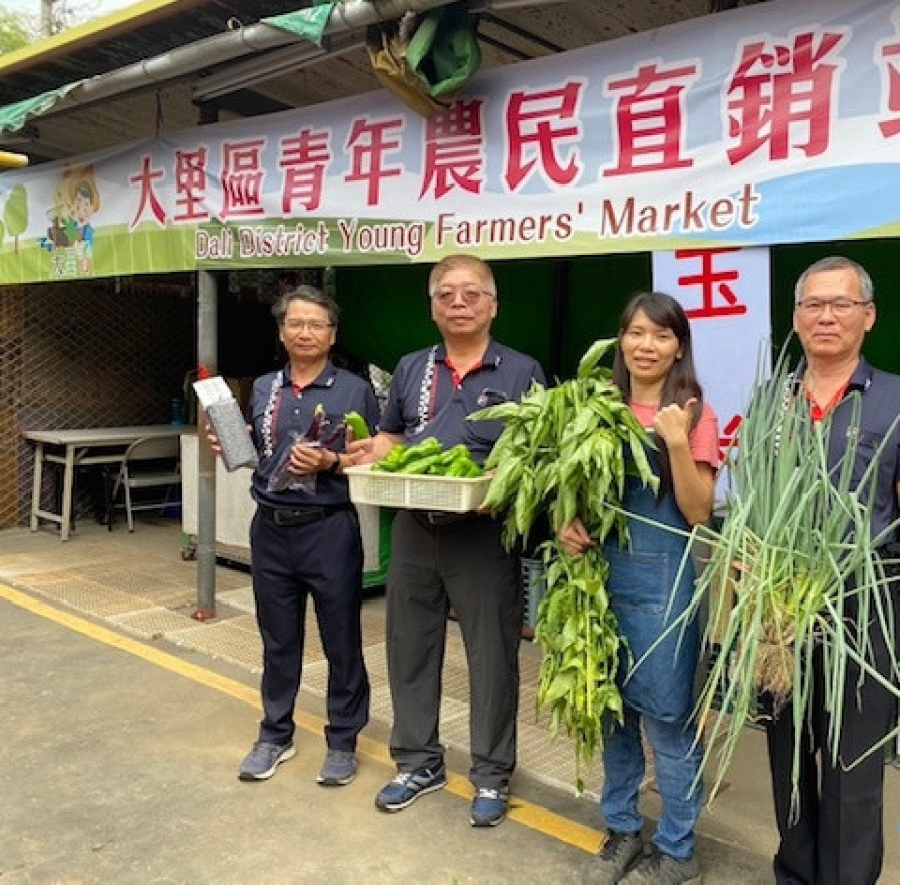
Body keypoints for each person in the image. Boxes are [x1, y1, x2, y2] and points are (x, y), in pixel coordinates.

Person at [767, 256, 900, 885]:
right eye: (813, 305)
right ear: (796, 318)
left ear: (868, 317)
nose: (827, 316)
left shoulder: (898, 398)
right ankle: (795, 872)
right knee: (789, 751)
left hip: (860, 600)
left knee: (853, 758)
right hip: (779, 604)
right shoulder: (772, 393)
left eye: (842, 304)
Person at [353, 254, 544, 828]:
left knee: (492, 658)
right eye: (446, 294)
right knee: (409, 647)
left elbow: (538, 453)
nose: (458, 303)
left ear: (493, 304)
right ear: (432, 305)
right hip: (414, 526)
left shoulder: (522, 370)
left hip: (485, 532)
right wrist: (370, 452)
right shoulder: (413, 367)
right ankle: (417, 762)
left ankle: (491, 773)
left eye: (471, 293)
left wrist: (504, 488)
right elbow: (391, 435)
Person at [560, 292, 720, 885]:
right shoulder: (596, 408)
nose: (645, 346)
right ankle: (623, 829)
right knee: (613, 717)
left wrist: (676, 441)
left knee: (671, 724)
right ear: (620, 340)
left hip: (664, 589)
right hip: (599, 587)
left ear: (678, 345)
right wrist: (564, 521)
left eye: (660, 335)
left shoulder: (695, 414)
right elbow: (571, 489)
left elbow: (700, 511)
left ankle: (678, 850)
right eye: (635, 333)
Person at [232, 284, 379, 787]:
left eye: (316, 324)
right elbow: (260, 450)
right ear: (281, 331)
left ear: (332, 334)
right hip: (270, 530)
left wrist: (332, 460)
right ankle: (275, 733)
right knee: (277, 640)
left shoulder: (354, 391)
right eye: (295, 323)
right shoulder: (264, 387)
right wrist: (228, 443)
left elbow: (369, 459)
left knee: (341, 640)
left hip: (329, 530)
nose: (305, 332)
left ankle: (343, 740)